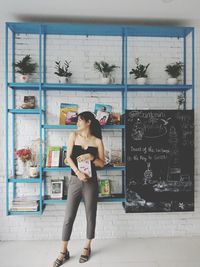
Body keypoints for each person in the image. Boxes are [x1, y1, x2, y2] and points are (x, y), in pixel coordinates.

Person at [53, 111, 105, 267]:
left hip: (91, 182)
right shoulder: (73, 136)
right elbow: (68, 157)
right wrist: (78, 172)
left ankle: (87, 246)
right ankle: (63, 251)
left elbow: (101, 163)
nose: (77, 123)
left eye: (80, 120)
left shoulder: (97, 141)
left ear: (88, 122)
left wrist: (92, 157)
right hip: (75, 180)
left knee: (90, 215)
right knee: (69, 216)